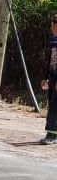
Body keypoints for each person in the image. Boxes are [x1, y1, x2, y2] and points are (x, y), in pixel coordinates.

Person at [40, 14, 57, 144]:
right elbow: (50, 61)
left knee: (54, 106)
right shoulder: (53, 40)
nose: (51, 27)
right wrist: (46, 78)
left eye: (53, 24)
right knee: (51, 104)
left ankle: (51, 135)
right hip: (52, 77)